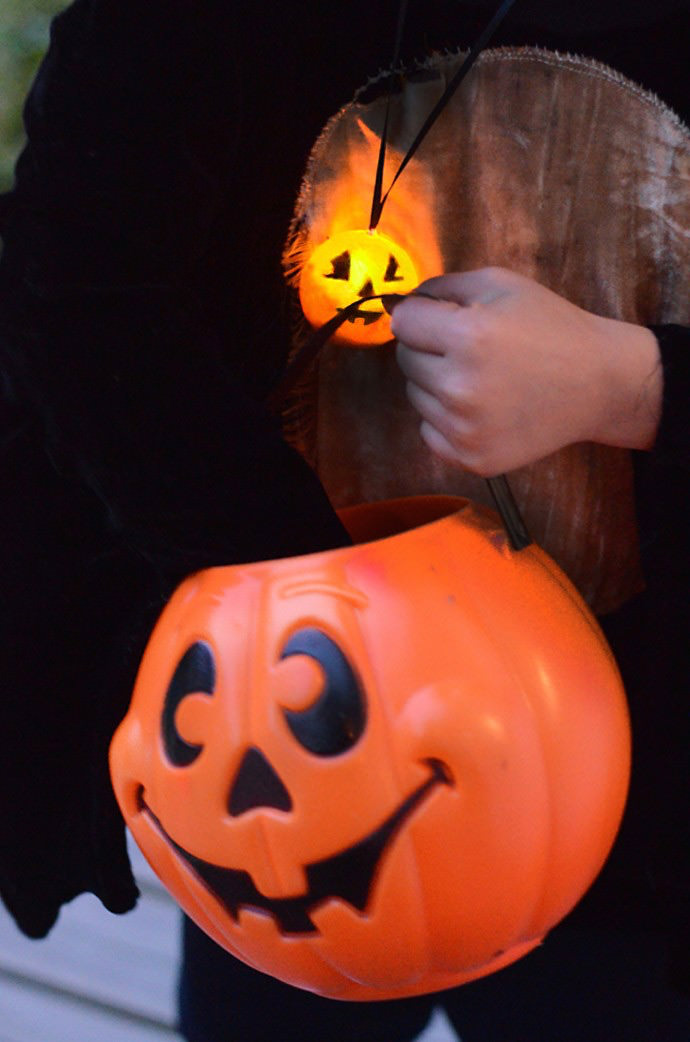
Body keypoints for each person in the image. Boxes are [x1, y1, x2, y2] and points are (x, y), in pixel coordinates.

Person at [0, 1, 687, 1040]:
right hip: (280, 741)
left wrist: (632, 387)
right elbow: (84, 280)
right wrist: (305, 613)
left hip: (651, 795)